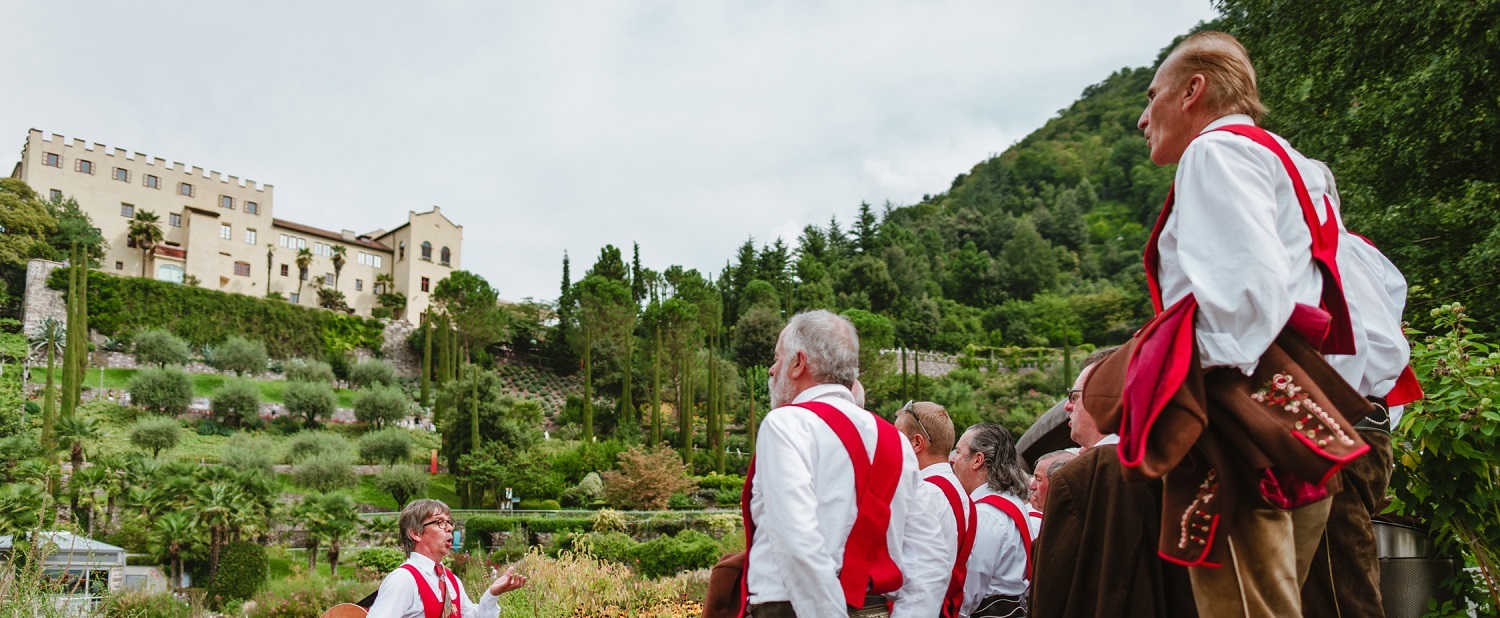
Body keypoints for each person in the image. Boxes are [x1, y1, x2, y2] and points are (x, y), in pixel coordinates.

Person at [1126, 30, 1401, 616]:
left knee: (1249, 607)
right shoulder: (1300, 168)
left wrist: (1173, 379)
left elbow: (1246, 294)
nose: (1143, 118)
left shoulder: (1215, 150)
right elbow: (1378, 291)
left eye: (1153, 97)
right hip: (1308, 414)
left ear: (1192, 91)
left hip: (1247, 405)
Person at [744, 309, 947, 617]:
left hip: (794, 608)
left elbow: (798, 542)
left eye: (777, 357)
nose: (772, 370)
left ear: (799, 363)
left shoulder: (785, 425)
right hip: (875, 608)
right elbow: (931, 558)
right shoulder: (896, 443)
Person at [1030, 351, 1197, 618]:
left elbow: (1051, 584)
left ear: (1105, 398)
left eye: (1074, 396)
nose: (1067, 406)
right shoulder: (1179, 465)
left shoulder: (1076, 477)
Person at [366, 499, 527, 618]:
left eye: (449, 522)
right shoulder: (403, 579)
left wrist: (492, 594)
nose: (449, 527)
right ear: (415, 533)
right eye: (439, 522)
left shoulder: (451, 579)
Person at [894, 400, 972, 617]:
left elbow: (920, 569)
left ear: (917, 443)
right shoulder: (959, 490)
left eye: (896, 437)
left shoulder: (925, 492)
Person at [951, 423, 1036, 617]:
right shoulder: (1013, 502)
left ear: (977, 460)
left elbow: (970, 587)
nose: (953, 459)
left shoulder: (986, 514)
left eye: (958, 451)